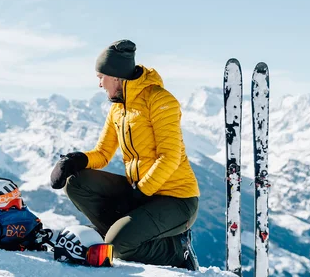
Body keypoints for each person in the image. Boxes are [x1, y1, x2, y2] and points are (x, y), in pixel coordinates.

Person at [50, 39, 200, 270]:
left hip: (176, 199)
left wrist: (139, 193)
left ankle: (177, 250)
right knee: (77, 182)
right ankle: (117, 232)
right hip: (139, 192)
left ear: (116, 77)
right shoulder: (118, 109)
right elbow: (102, 153)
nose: (100, 84)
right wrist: (76, 160)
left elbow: (170, 157)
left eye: (101, 78)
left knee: (117, 247)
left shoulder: (160, 100)